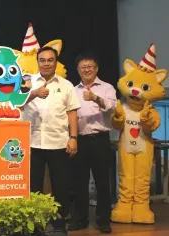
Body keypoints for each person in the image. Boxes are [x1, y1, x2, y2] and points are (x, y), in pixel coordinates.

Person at [22, 46, 81, 236]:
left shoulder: (66, 85)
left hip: (58, 142)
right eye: (42, 60)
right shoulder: (27, 82)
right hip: (32, 142)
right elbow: (15, 103)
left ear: (56, 62)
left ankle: (59, 225)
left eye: (50, 60)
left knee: (61, 186)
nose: (46, 63)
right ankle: (35, 226)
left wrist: (73, 137)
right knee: (34, 187)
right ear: (37, 62)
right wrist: (34, 93)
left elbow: (72, 112)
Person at [68, 53, 116, 233]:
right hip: (79, 140)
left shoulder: (106, 87)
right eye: (83, 67)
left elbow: (113, 106)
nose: (87, 69)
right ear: (78, 70)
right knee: (78, 182)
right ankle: (80, 219)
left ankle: (104, 220)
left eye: (90, 66)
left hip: (100, 140)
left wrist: (96, 98)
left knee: (103, 182)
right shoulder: (73, 90)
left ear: (96, 68)